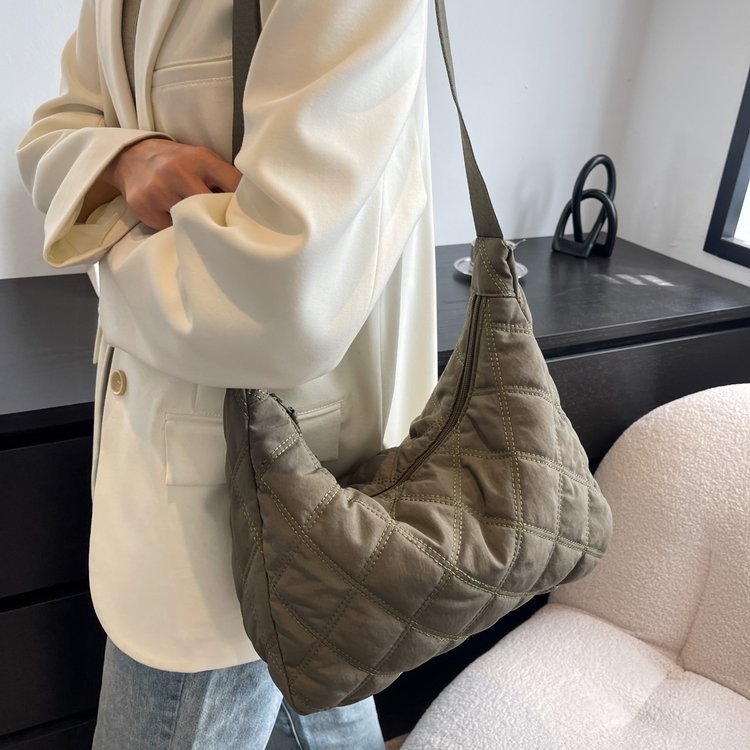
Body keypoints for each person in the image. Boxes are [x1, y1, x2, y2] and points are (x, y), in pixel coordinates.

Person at [17, 0, 437, 747]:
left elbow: (282, 301)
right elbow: (50, 135)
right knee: (323, 693)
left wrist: (100, 239)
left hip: (263, 488)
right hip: (193, 459)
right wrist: (127, 159)